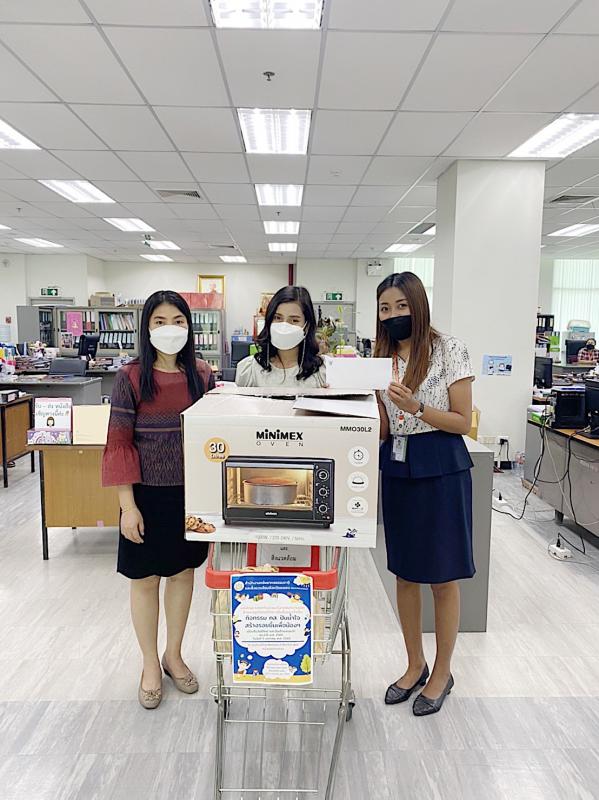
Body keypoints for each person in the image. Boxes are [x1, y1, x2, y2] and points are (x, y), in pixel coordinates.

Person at [102, 290, 215, 709]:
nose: (170, 329)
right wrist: (127, 506)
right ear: (146, 328)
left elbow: (214, 435)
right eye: (160, 322)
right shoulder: (130, 377)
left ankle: (174, 655)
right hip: (145, 495)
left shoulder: (202, 374)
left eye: (178, 321)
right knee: (145, 579)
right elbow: (119, 442)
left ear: (190, 327)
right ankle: (150, 663)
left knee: (183, 574)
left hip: (190, 493)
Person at [376, 272, 475, 717]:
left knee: (443, 576)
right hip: (397, 466)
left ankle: (442, 672)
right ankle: (414, 663)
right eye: (385, 308)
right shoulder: (380, 358)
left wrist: (416, 407)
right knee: (404, 573)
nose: (393, 315)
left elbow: (462, 421)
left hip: (441, 467)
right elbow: (383, 426)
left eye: (401, 305)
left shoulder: (449, 349)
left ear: (418, 305)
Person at [235, 285, 326, 388]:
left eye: (294, 320)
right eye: (278, 318)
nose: (284, 326)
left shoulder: (321, 372)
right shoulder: (250, 370)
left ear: (307, 326)